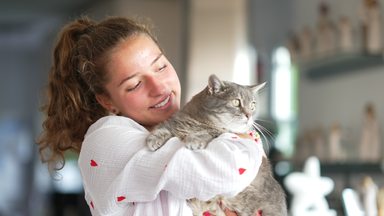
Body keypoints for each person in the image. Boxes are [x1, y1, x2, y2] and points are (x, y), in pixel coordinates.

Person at [36, 15, 264, 216]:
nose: (159, 88)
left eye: (161, 67)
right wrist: (249, 139)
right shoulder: (106, 139)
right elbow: (228, 172)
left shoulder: (182, 136)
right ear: (107, 101)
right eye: (135, 85)